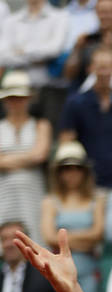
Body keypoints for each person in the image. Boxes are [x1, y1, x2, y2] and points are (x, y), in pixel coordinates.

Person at [60, 46, 112, 190]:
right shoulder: (76, 103)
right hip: (89, 181)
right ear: (91, 68)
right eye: (100, 67)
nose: (104, 73)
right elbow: (67, 141)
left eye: (108, 67)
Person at [40, 142, 105, 292]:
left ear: (85, 171)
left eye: (77, 168)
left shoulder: (98, 199)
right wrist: (85, 240)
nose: (72, 173)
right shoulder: (50, 201)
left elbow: (98, 234)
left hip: (89, 270)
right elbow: (49, 237)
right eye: (66, 168)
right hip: (59, 271)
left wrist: (63, 239)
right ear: (59, 172)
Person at [0, 71, 52, 241]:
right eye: (12, 98)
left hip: (33, 195)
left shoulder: (40, 125)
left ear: (29, 98)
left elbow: (40, 155)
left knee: (35, 242)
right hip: (4, 196)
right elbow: (34, 156)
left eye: (20, 97)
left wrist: (6, 159)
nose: (16, 102)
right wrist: (27, 158)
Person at [0, 0, 70, 100]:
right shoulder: (11, 21)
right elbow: (3, 56)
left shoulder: (60, 17)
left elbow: (54, 50)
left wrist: (21, 52)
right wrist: (39, 58)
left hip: (49, 88)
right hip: (17, 90)